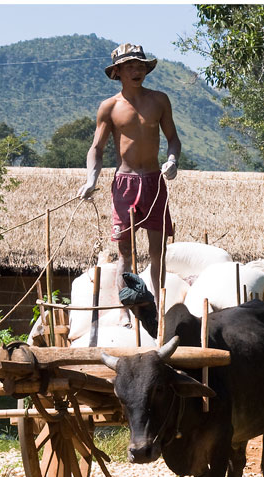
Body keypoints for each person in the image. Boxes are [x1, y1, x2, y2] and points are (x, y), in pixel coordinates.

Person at [77, 43, 182, 302]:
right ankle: (125, 308)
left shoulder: (159, 100)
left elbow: (173, 139)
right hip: (125, 184)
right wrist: (92, 178)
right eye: (130, 66)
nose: (137, 71)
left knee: (158, 250)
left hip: (155, 182)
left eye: (140, 66)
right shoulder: (109, 107)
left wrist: (172, 160)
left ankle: (157, 304)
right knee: (125, 251)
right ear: (118, 72)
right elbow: (96, 149)